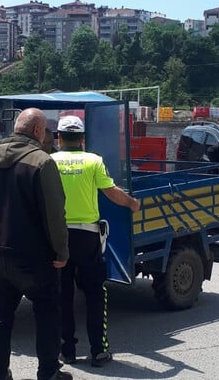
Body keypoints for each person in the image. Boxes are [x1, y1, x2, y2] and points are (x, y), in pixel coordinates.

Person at [0, 108, 72, 380]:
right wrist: (61, 251)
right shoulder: (42, 162)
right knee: (47, 313)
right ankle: (49, 372)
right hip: (34, 256)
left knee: (0, 316)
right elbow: (54, 214)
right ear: (38, 131)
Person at [51, 115, 141, 368]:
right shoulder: (93, 161)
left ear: (58, 138)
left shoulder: (49, 161)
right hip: (87, 237)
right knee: (94, 294)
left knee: (62, 295)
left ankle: (66, 351)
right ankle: (99, 351)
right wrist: (132, 203)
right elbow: (111, 192)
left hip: (58, 237)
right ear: (82, 139)